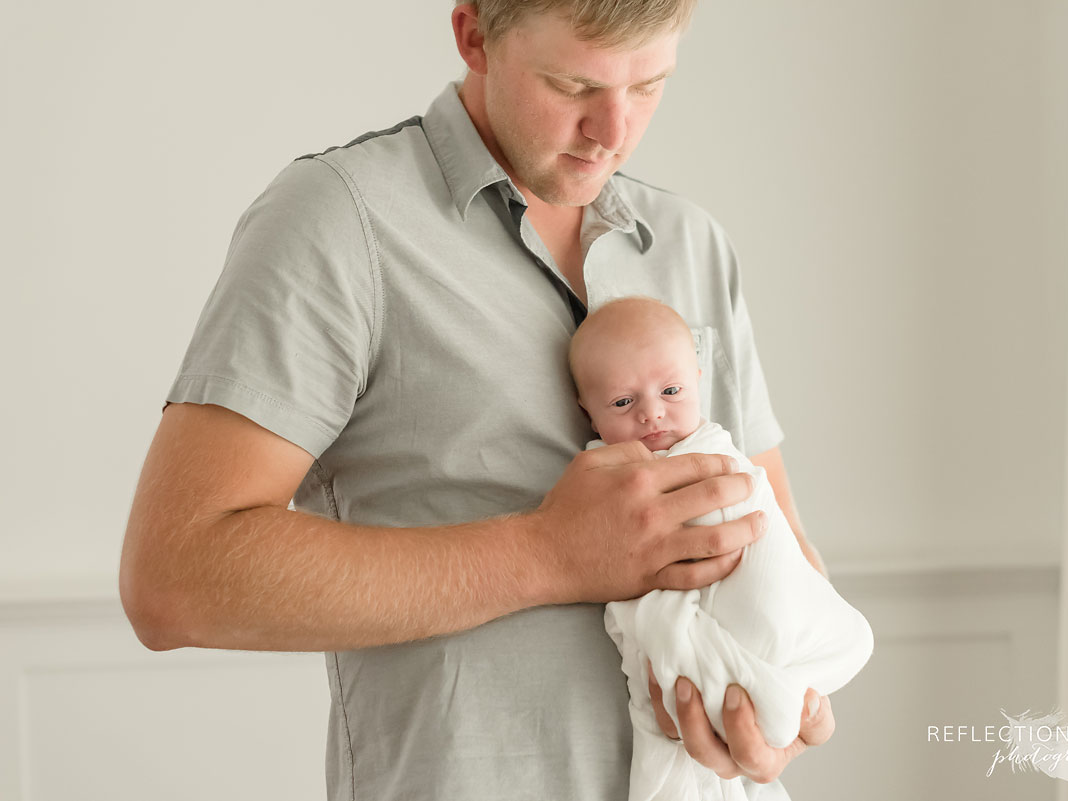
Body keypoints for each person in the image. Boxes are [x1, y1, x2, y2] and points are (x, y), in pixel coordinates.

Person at [118, 2, 837, 799]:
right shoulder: (339, 218)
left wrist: (782, 713)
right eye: (574, 84)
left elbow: (785, 549)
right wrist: (549, 554)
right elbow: (173, 579)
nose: (613, 129)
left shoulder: (692, 241)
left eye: (650, 85)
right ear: (473, 35)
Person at [571, 296, 872, 800]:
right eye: (623, 403)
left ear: (698, 376)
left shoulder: (714, 445)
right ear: (587, 412)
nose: (652, 413)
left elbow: (774, 518)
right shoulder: (606, 471)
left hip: (747, 573)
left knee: (844, 637)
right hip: (675, 620)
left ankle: (770, 678)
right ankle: (750, 680)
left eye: (670, 390)